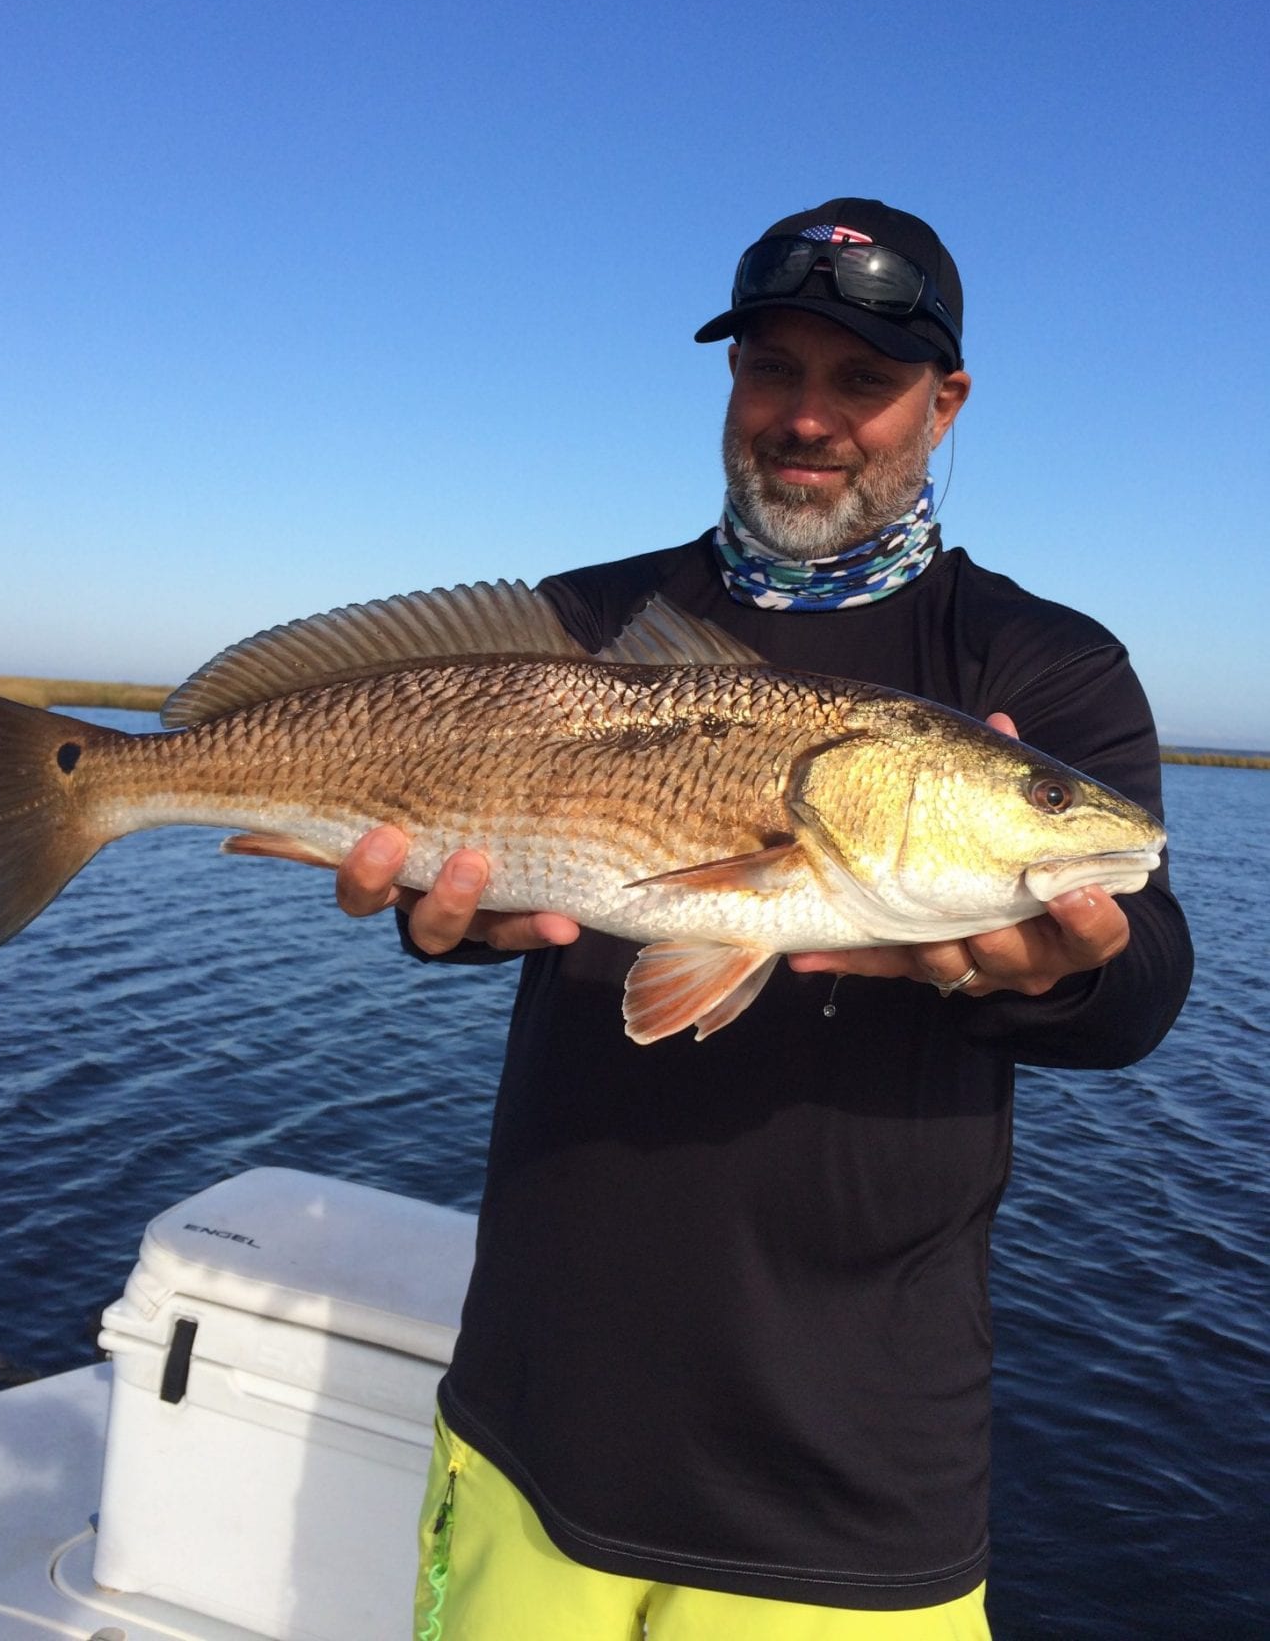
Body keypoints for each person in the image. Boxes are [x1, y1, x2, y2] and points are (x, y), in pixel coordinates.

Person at [336, 198, 1194, 1639]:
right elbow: (465, 888)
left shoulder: (1037, 661)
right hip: (541, 1400)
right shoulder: (578, 625)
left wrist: (1052, 977)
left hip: (852, 1464)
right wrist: (435, 924)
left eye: (861, 380)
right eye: (768, 372)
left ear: (945, 401)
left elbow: (1143, 977)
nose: (807, 418)